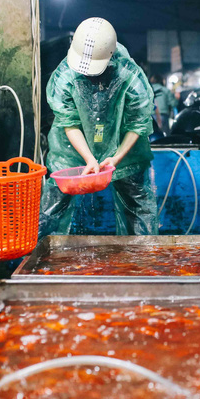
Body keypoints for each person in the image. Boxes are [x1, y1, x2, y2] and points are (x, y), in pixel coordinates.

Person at [40, 17, 158, 237]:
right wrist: (89, 159)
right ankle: (38, 257)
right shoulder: (65, 75)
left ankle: (143, 260)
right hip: (71, 150)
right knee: (53, 204)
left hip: (124, 149)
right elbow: (69, 121)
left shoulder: (129, 76)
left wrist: (116, 158)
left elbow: (138, 122)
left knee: (137, 203)